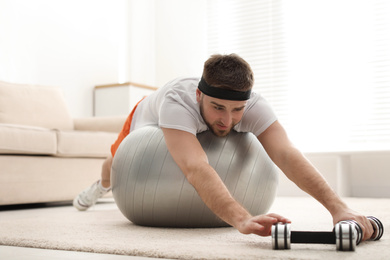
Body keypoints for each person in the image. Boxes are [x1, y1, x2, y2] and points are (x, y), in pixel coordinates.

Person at [74, 54, 374, 239]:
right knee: (111, 166)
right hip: (145, 117)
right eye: (218, 107)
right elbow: (195, 166)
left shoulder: (254, 105)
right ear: (199, 96)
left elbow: (286, 154)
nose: (227, 120)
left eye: (237, 110)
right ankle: (98, 189)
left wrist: (339, 209)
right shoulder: (176, 102)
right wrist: (241, 218)